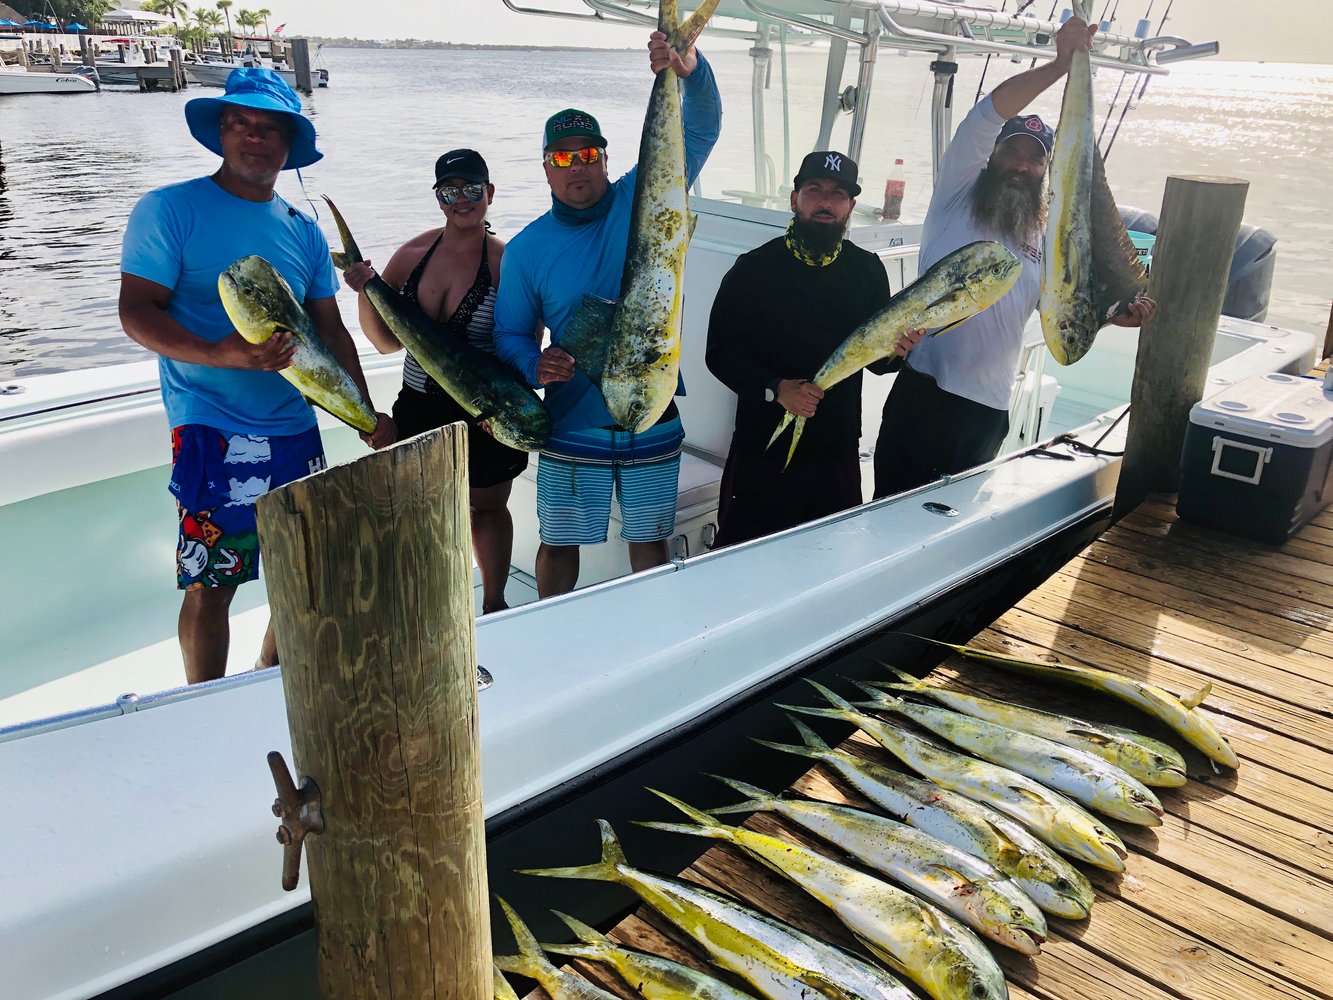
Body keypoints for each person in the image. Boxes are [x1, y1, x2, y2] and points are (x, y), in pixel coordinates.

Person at [119, 67, 392, 685]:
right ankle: (206, 699)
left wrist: (366, 413)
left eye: (272, 128)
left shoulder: (302, 230)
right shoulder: (171, 209)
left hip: (296, 426)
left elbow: (332, 332)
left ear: (289, 144)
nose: (255, 138)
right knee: (213, 583)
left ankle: (270, 678)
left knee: (304, 573)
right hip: (210, 427)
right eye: (241, 122)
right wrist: (223, 355)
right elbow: (135, 312)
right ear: (221, 131)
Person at [872, 14, 1156, 499]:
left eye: (1035, 158)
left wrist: (1115, 318)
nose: (1022, 165)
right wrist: (1060, 65)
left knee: (953, 523)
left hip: (986, 407)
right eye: (1012, 153)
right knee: (887, 508)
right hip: (923, 390)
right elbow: (984, 116)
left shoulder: (1047, 237)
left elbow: (1059, 309)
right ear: (992, 157)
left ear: (1046, 168)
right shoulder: (956, 195)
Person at [492, 30, 722, 598]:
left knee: (650, 537)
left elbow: (700, 129)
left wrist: (690, 69)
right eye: (564, 158)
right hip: (573, 421)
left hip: (652, 407)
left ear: (604, 159)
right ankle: (553, 624)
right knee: (559, 541)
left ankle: (652, 628)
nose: (579, 169)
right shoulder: (526, 250)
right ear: (546, 168)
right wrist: (534, 364)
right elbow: (510, 333)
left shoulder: (645, 192)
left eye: (589, 155)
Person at [341, 149, 527, 615]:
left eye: (471, 190)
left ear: (489, 193)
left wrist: (502, 412)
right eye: (450, 191)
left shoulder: (508, 263)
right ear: (438, 198)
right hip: (418, 402)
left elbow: (521, 344)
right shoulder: (409, 257)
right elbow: (385, 342)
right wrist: (368, 291)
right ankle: (434, 605)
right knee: (419, 512)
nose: (462, 200)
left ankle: (495, 602)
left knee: (487, 509)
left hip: (483, 410)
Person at [705, 151, 923, 547]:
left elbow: (877, 363)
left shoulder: (868, 269)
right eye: (815, 190)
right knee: (742, 560)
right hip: (762, 448)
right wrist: (775, 388)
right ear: (795, 199)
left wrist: (901, 351)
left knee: (827, 559)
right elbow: (720, 353)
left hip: (836, 450)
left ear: (851, 207)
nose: (826, 202)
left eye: (838, 194)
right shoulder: (752, 269)